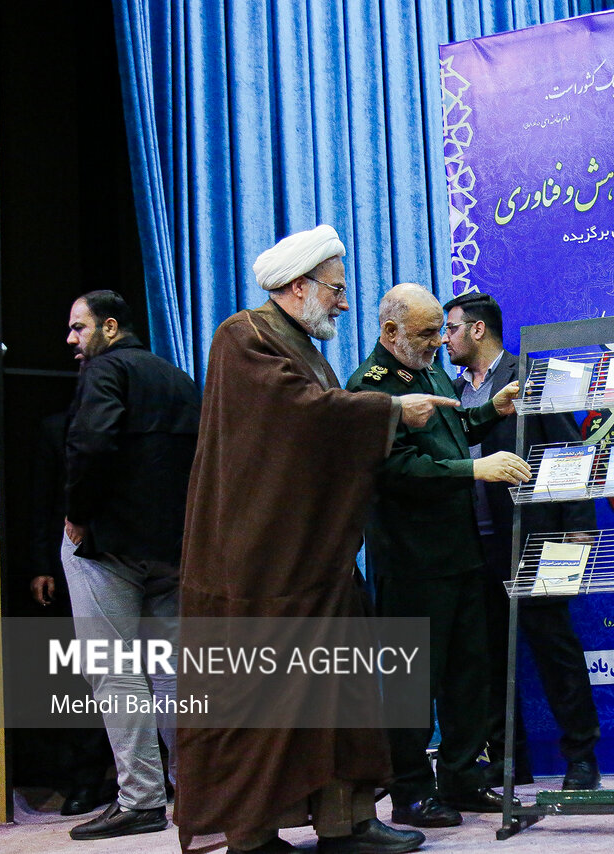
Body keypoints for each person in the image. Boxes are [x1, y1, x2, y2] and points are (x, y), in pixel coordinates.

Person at [177, 226, 453, 854]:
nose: (345, 303)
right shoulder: (243, 337)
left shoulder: (298, 342)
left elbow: (318, 421)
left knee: (342, 696)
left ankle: (345, 824)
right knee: (260, 710)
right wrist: (390, 410)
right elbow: (297, 415)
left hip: (314, 557)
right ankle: (252, 836)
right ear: (298, 287)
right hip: (259, 566)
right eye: (336, 289)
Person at [347, 283, 529, 827]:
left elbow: (452, 431)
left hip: (459, 553)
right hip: (411, 562)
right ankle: (410, 792)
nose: (438, 341)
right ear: (391, 331)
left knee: (468, 677)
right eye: (427, 332)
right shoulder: (370, 389)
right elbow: (397, 469)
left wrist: (491, 410)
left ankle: (462, 778)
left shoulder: (425, 371)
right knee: (412, 685)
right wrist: (476, 469)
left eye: (438, 331)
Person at [441, 290, 603, 792]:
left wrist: (579, 526)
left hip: (535, 538)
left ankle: (582, 759)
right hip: (473, 548)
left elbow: (570, 450)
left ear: (478, 330)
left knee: (555, 650)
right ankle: (509, 760)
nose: (444, 339)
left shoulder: (532, 378)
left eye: (451, 328)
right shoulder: (450, 392)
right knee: (488, 657)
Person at [56, 291, 199, 841]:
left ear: (111, 327)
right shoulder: (178, 377)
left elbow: (91, 443)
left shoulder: (104, 370)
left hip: (109, 546)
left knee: (113, 668)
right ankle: (194, 791)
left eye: (79, 327)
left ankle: (140, 801)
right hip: (173, 548)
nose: (71, 339)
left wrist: (77, 512)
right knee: (171, 672)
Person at [29, 408, 117, 817]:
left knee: (142, 667)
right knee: (82, 671)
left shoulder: (134, 422)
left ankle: (145, 779)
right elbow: (42, 499)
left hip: (131, 552)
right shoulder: (56, 428)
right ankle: (85, 779)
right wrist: (41, 564)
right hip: (76, 556)